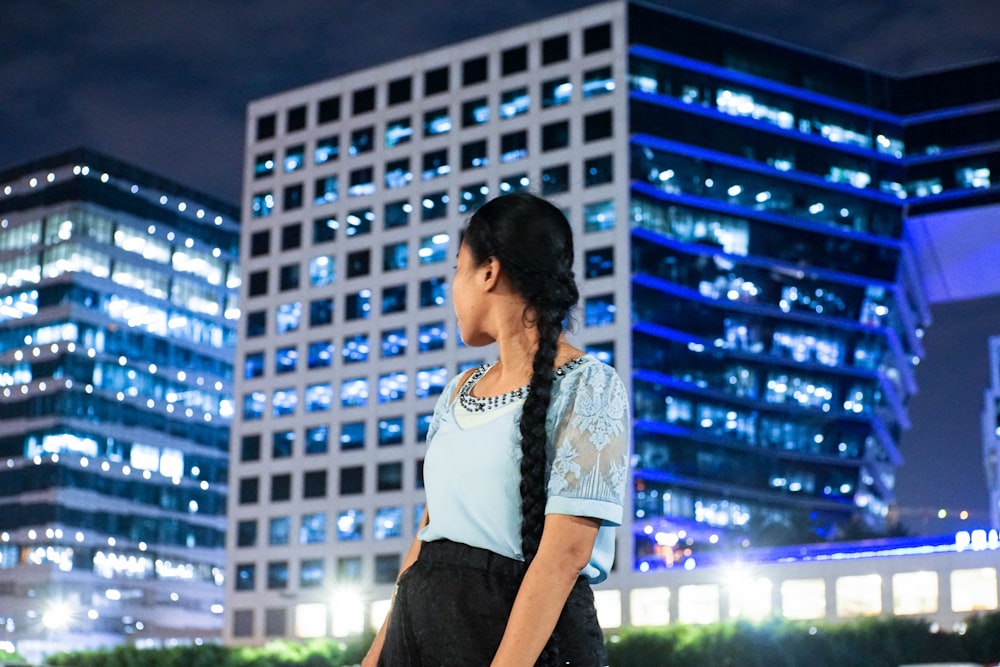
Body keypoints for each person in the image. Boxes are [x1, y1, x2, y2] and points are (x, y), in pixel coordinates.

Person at [363, 192, 630, 667]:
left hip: (522, 644)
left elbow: (564, 555)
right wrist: (375, 658)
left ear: (489, 271)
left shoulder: (590, 385)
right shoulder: (457, 391)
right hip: (421, 634)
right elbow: (425, 540)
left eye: (456, 269)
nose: (452, 288)